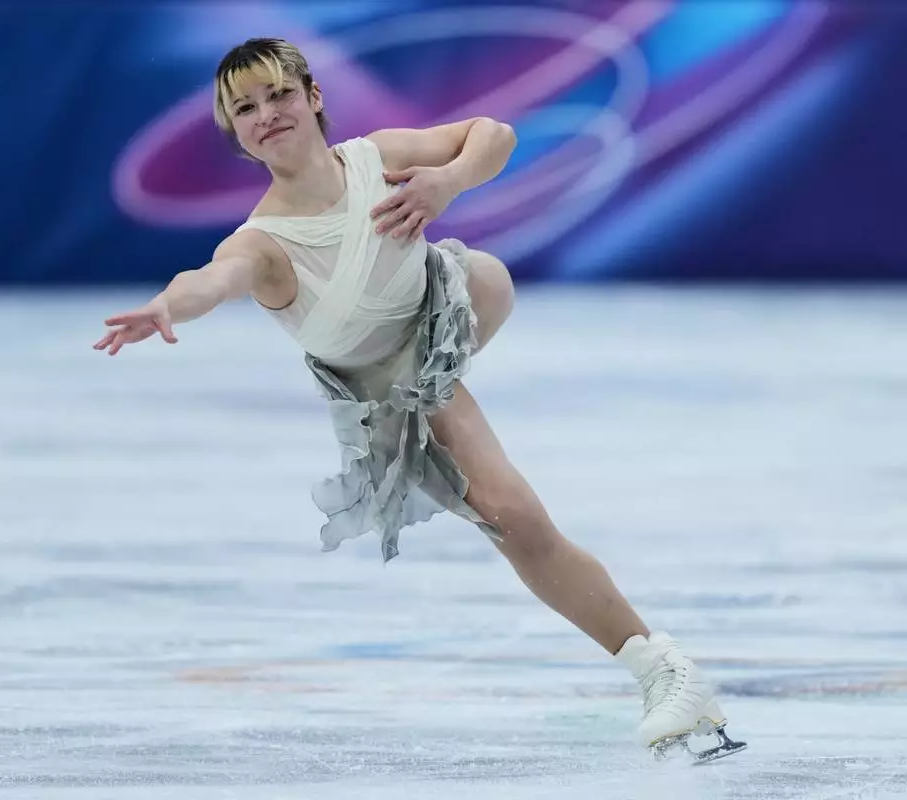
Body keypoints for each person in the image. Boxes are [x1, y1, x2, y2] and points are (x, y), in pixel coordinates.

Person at [95, 37, 744, 763]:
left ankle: (666, 671)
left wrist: (449, 182)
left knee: (510, 491)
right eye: (244, 108)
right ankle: (660, 666)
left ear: (313, 96)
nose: (266, 114)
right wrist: (166, 306)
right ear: (235, 133)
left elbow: (492, 134)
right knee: (516, 520)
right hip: (393, 387)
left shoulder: (376, 158)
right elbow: (211, 278)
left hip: (455, 295)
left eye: (279, 94)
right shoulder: (264, 242)